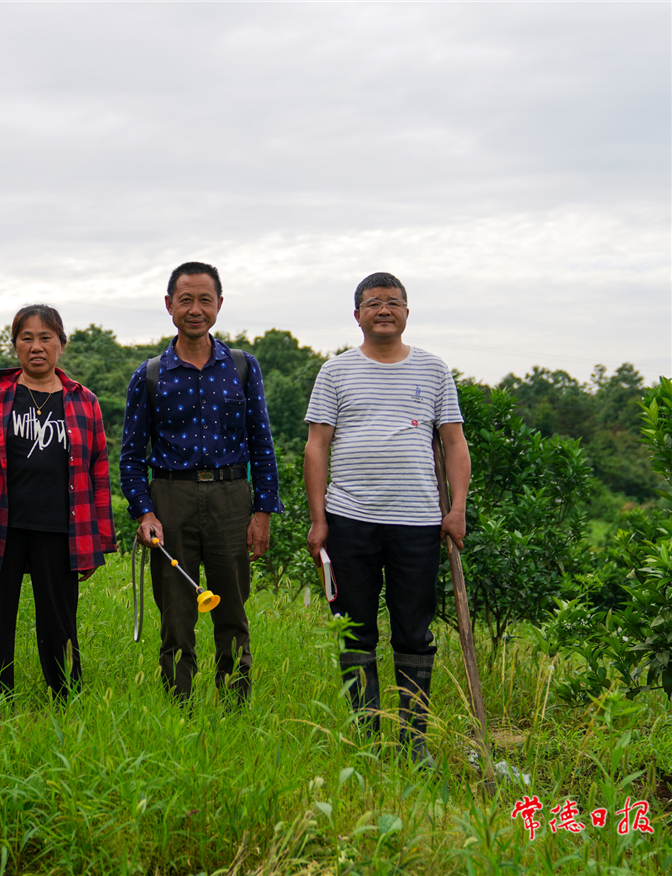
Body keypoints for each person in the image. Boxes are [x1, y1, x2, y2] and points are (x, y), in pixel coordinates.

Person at [303, 272, 470, 765]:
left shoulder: (434, 371)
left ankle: (413, 736)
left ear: (406, 313)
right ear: (357, 315)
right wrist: (319, 519)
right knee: (354, 627)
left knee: (413, 629)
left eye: (393, 302)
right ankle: (367, 733)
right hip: (349, 517)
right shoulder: (335, 373)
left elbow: (454, 442)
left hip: (418, 521)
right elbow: (317, 447)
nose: (383, 310)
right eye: (373, 303)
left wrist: (457, 508)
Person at [120, 261, 283, 702]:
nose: (195, 309)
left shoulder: (243, 368)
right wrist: (144, 512)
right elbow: (131, 457)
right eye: (186, 300)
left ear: (219, 305)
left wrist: (263, 511)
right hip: (170, 498)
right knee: (176, 613)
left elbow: (262, 444)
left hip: (232, 498)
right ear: (169, 305)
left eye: (204, 300)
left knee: (232, 609)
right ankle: (179, 708)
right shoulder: (150, 374)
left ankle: (234, 704)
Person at [0, 304, 116, 699]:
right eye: (26, 337)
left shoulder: (84, 401)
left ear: (62, 344)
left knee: (60, 623)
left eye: (46, 337)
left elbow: (98, 474)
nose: (36, 346)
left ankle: (66, 700)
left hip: (60, 529)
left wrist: (96, 544)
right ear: (15, 346)